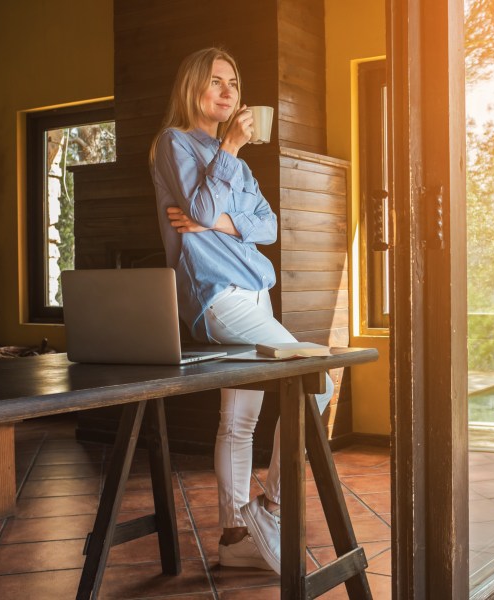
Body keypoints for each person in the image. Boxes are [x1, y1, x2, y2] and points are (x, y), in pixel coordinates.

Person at [149, 47, 333, 575]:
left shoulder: (238, 165)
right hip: (217, 296)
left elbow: (268, 227)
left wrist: (220, 223)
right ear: (192, 88)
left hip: (255, 293)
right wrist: (228, 153)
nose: (228, 91)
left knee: (239, 419)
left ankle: (234, 535)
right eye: (215, 81)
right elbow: (202, 208)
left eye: (233, 81)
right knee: (316, 379)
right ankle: (269, 509)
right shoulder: (173, 144)